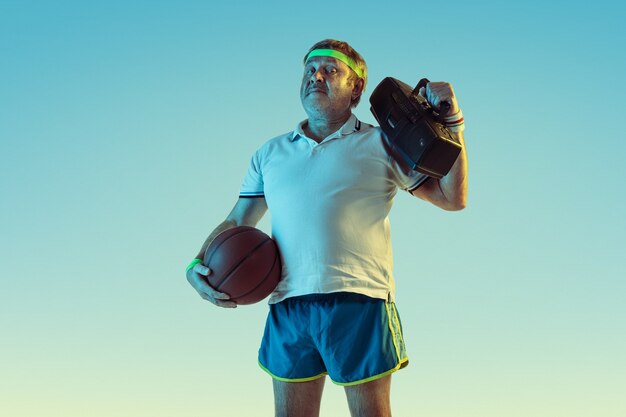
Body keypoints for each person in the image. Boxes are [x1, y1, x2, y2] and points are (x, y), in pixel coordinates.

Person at [186, 39, 468, 417]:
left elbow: (452, 198)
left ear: (355, 88)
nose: (316, 75)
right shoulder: (270, 153)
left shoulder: (382, 142)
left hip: (359, 298)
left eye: (331, 70)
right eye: (309, 69)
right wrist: (196, 265)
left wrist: (452, 123)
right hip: (287, 303)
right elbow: (238, 220)